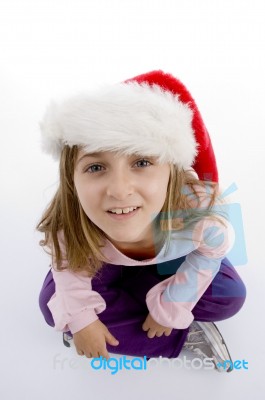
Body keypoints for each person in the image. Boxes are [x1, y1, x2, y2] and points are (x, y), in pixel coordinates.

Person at [37, 70, 246, 373]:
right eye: (96, 167)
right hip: (100, 263)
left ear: (172, 171)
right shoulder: (71, 223)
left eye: (142, 162)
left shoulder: (196, 214)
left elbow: (211, 252)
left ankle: (127, 304)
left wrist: (172, 305)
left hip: (169, 258)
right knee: (55, 304)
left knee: (230, 296)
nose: (120, 190)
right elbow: (68, 270)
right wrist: (83, 320)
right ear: (72, 181)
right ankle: (182, 337)